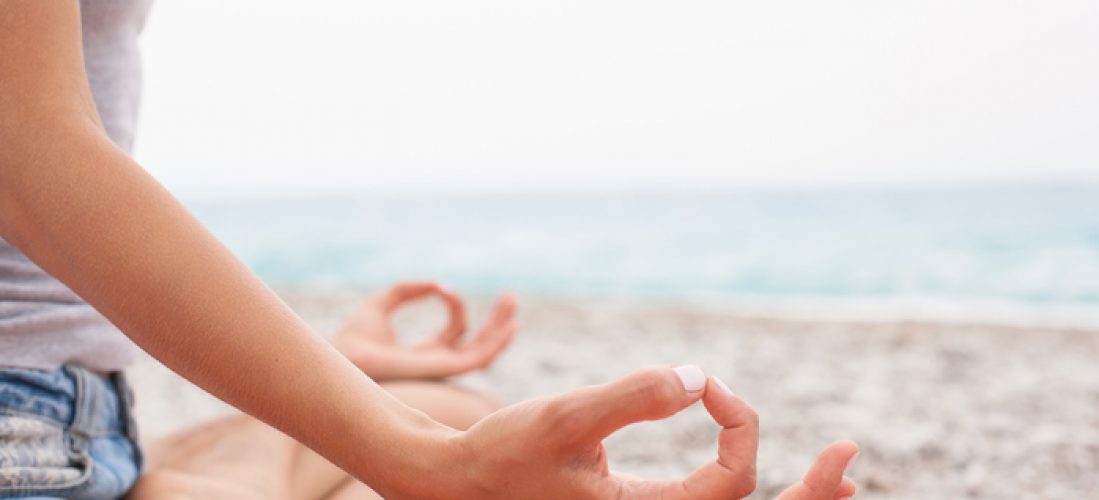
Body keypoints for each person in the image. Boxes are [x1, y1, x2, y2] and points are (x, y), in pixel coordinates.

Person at [0, 1, 858, 498]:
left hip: (74, 409)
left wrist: (331, 376)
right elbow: (24, 151)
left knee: (439, 405)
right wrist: (427, 467)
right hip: (26, 426)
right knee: (435, 446)